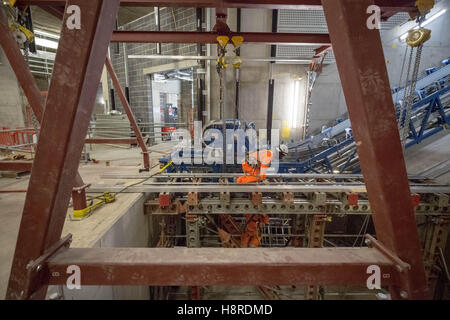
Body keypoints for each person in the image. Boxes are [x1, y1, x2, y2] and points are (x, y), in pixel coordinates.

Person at [237, 144, 289, 247]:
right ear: (279, 153)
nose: (281, 158)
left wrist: (262, 178)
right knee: (255, 178)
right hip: (248, 165)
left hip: (250, 164)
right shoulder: (269, 154)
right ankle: (240, 180)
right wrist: (263, 179)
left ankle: (242, 180)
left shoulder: (269, 153)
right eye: (282, 156)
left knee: (256, 178)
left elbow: (262, 166)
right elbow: (264, 167)